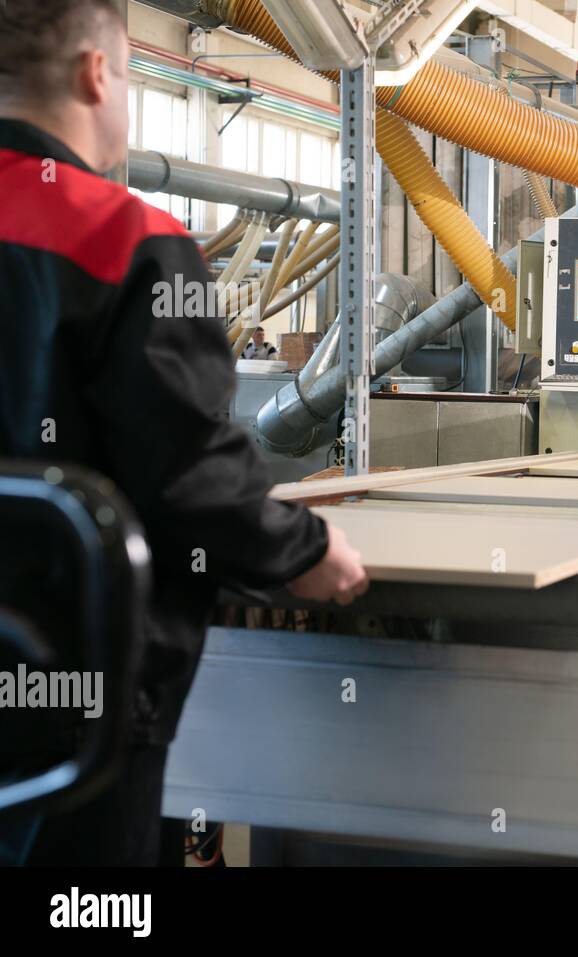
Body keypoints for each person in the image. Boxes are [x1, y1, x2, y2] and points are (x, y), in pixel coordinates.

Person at [0, 0, 369, 865]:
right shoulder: (130, 243)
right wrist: (304, 548)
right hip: (77, 694)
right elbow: (190, 472)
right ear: (99, 74)